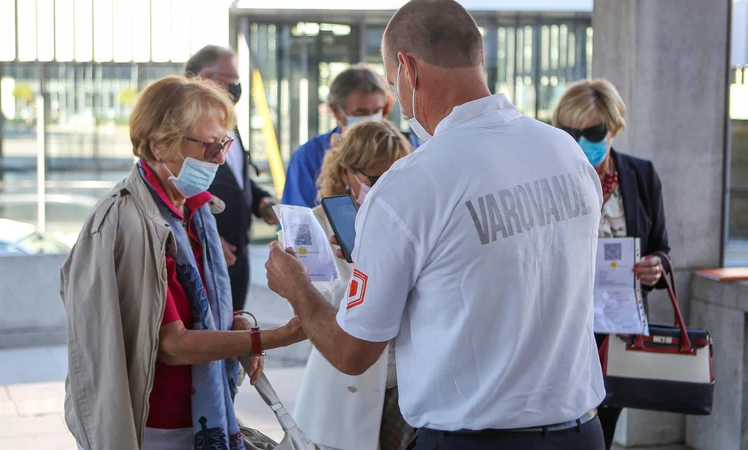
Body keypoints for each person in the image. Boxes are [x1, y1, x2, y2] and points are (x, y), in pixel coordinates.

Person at [264, 1, 606, 449]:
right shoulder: (565, 152)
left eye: (391, 84)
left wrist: (298, 289)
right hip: (580, 431)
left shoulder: (410, 185)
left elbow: (352, 352)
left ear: (407, 68)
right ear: (477, 57)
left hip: (471, 439)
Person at [61, 75, 305, 450]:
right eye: (210, 146)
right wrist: (283, 335)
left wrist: (235, 325)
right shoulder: (127, 219)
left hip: (202, 415)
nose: (221, 158)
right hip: (157, 425)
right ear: (160, 146)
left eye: (225, 143)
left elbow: (197, 310)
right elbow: (173, 345)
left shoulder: (194, 208)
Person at [552, 78, 671, 450]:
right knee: (562, 426)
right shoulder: (551, 177)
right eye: (569, 131)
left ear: (615, 128)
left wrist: (656, 266)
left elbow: (661, 247)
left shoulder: (641, 175)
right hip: (564, 326)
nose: (579, 139)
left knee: (603, 425)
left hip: (618, 329)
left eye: (592, 131)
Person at [293, 120, 413, 450]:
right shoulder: (312, 227)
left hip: (405, 390)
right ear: (346, 172)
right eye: (376, 178)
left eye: (395, 176)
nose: (385, 186)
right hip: (342, 391)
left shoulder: (410, 222)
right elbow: (314, 312)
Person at [185, 45, 279, 312]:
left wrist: (259, 201)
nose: (237, 87)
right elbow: (177, 189)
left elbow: (235, 179)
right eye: (232, 80)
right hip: (204, 256)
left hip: (238, 254)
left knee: (234, 329)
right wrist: (205, 240)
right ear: (206, 77)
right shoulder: (185, 126)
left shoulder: (227, 120)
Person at [282, 65, 417, 208]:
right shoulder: (309, 156)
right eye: (361, 112)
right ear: (336, 111)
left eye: (377, 110)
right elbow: (296, 220)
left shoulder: (404, 147)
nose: (370, 119)